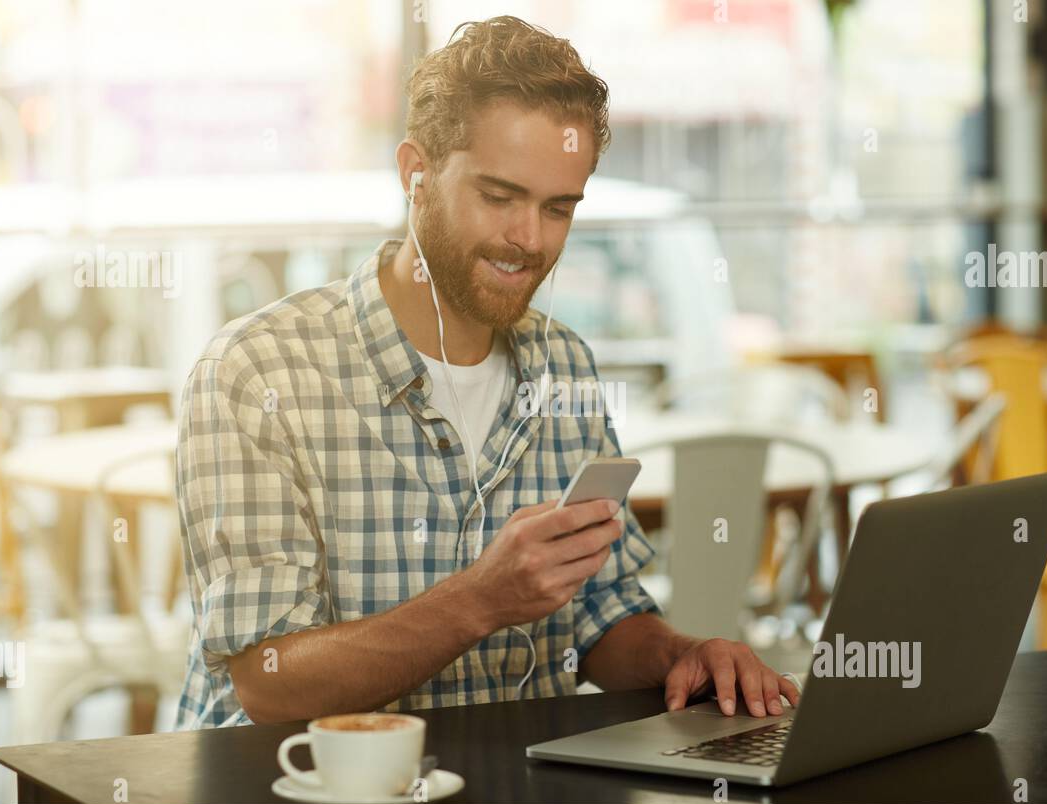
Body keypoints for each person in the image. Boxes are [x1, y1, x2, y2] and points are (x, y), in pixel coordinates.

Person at [175, 15, 798, 728]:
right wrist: (479, 600)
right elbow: (269, 681)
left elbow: (599, 615)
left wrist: (685, 655)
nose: (529, 241)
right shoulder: (259, 373)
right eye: (498, 197)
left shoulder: (564, 365)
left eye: (558, 208)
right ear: (416, 174)